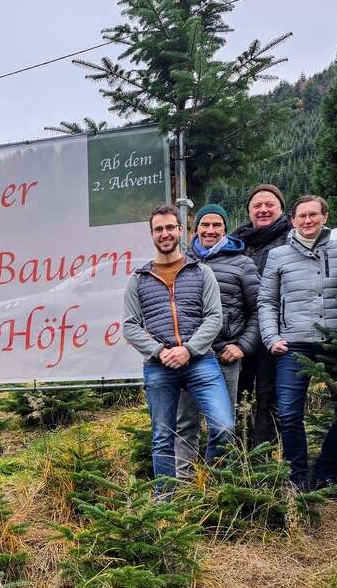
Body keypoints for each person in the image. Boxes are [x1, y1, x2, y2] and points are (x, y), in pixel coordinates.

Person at [258, 195, 337, 492]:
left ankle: (325, 472)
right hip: (293, 345)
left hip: (336, 341)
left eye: (313, 215)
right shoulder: (279, 256)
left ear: (325, 216)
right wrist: (272, 337)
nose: (307, 221)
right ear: (293, 220)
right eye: (302, 216)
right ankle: (298, 478)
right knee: (289, 412)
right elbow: (267, 300)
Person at [123, 204, 233, 485]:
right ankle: (166, 504)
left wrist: (189, 350)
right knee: (162, 437)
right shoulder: (138, 279)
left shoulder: (201, 272)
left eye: (170, 227)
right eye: (159, 229)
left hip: (200, 361)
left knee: (223, 426)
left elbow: (214, 317)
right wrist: (159, 351)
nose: (165, 233)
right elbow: (130, 326)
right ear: (151, 235)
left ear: (180, 230)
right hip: (159, 366)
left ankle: (205, 484)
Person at [173, 204, 261, 477]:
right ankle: (184, 482)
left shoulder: (242, 263)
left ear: (225, 228)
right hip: (187, 356)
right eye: (205, 225)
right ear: (195, 228)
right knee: (185, 421)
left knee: (222, 424)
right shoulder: (178, 261)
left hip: (224, 356)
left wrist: (242, 346)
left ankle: (217, 482)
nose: (210, 230)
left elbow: (260, 308)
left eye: (217, 225)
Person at [231, 184, 292, 446]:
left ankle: (265, 453)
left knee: (269, 394)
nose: (263, 210)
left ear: (281, 209)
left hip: (276, 332)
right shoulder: (236, 242)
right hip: (240, 333)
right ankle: (237, 449)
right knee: (237, 392)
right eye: (257, 206)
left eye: (270, 205)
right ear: (249, 211)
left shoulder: (292, 238)